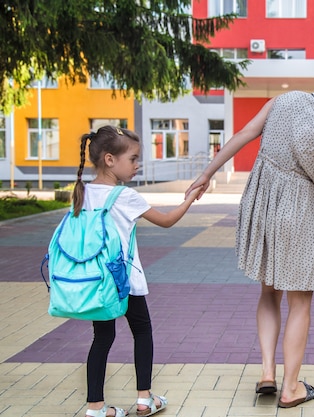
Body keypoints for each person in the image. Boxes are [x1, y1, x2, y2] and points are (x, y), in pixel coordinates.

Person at [185, 68, 314, 408]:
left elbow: (244, 134)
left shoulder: (285, 99)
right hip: (297, 212)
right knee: (301, 302)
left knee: (268, 290)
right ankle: (291, 387)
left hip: (261, 201)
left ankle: (268, 372)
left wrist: (206, 173)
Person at [74, 125, 200, 417]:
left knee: (102, 338)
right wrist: (190, 198)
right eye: (132, 159)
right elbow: (167, 220)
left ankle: (95, 407)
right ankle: (145, 398)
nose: (137, 164)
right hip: (125, 280)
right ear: (109, 160)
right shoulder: (124, 196)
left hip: (96, 280)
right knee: (142, 331)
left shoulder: (82, 191)